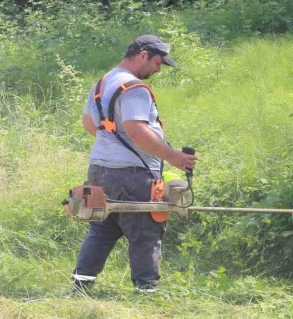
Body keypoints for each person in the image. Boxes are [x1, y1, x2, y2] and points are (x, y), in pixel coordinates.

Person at [71, 35, 198, 294]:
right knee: (145, 231)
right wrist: (173, 156)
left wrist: (115, 146)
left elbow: (89, 124)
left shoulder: (101, 83)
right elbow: (136, 129)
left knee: (102, 227)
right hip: (133, 174)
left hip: (98, 170)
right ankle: (146, 292)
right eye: (158, 62)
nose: (158, 69)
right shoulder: (135, 88)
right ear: (143, 55)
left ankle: (81, 286)